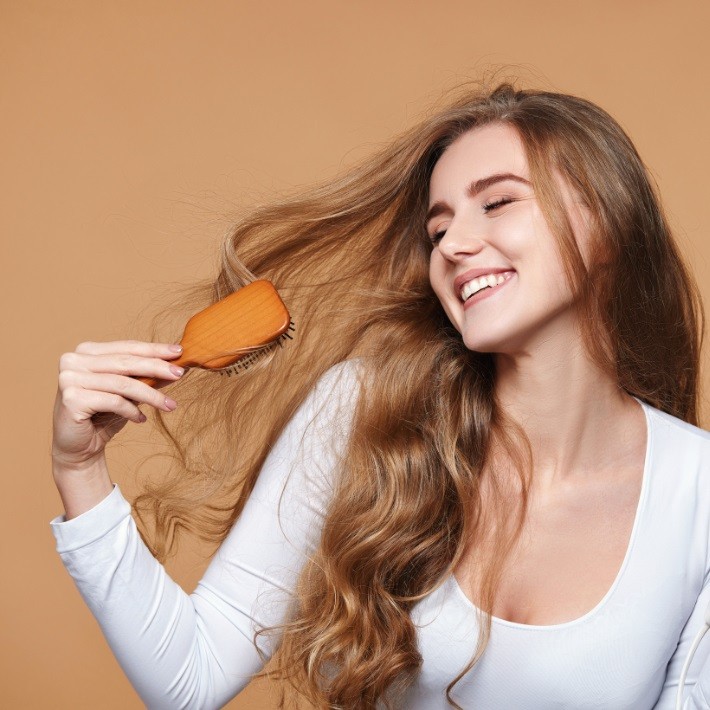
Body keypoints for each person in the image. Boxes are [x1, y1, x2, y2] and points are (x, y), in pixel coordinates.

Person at [50, 79, 710, 709]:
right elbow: (188, 679)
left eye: (498, 202)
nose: (454, 243)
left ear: (608, 219)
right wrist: (79, 470)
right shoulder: (364, 414)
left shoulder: (699, 493)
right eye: (438, 228)